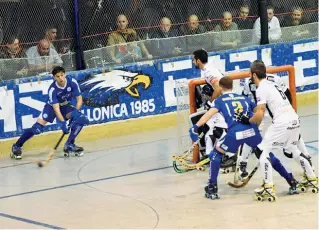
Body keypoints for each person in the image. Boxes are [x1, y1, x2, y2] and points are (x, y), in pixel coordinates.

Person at [189, 76, 299, 200]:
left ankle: (212, 188)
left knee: (216, 155)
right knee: (266, 154)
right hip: (251, 131)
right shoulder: (244, 98)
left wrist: (195, 127)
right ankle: (291, 180)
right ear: (232, 86)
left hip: (234, 133)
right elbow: (258, 111)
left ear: (220, 87)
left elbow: (208, 114)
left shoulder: (219, 100)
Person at [235, 60, 317, 199]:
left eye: (250, 74)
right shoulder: (271, 83)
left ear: (254, 75)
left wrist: (248, 121)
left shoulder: (261, 88)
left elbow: (260, 113)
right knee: (293, 150)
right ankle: (312, 178)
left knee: (262, 151)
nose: (250, 77)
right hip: (294, 118)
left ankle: (268, 186)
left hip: (281, 122)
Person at [11, 66, 88, 159]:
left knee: (81, 119)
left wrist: (75, 112)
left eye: (62, 75)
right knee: (37, 129)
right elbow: (56, 109)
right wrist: (63, 123)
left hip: (65, 105)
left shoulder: (72, 82)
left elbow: (79, 99)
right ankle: (17, 145)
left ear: (65, 74)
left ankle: (69, 144)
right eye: (57, 76)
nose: (60, 78)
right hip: (51, 107)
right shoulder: (53, 89)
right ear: (54, 78)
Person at [192, 50, 236, 168]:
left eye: (193, 59)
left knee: (219, 130)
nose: (193, 62)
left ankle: (231, 155)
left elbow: (218, 88)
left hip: (223, 102)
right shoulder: (209, 68)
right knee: (209, 129)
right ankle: (209, 155)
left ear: (198, 60)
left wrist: (211, 102)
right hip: (224, 100)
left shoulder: (208, 71)